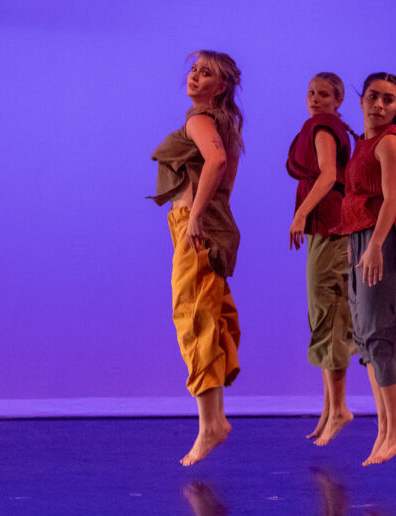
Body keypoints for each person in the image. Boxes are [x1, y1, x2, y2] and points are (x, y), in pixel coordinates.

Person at [150, 50, 244, 466]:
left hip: (195, 226)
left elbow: (218, 162)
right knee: (210, 314)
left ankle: (210, 426)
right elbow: (228, 175)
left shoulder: (201, 120)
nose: (195, 77)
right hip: (209, 224)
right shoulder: (227, 124)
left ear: (219, 87)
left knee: (193, 317)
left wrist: (196, 215)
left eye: (206, 74)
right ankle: (215, 420)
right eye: (193, 69)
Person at [339, 69, 396, 466]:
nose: (378, 105)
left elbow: (393, 199)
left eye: (388, 100)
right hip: (362, 241)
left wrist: (375, 246)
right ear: (361, 100)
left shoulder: (392, 142)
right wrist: (353, 245)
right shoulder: (364, 142)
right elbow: (358, 199)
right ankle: (384, 427)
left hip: (386, 241)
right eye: (373, 97)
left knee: (379, 333)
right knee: (364, 337)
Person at [286, 72, 357, 446]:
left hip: (331, 228)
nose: (315, 99)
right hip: (326, 229)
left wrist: (301, 214)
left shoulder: (326, 126)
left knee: (329, 312)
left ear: (337, 101)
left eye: (324, 94)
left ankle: (340, 408)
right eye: (311, 92)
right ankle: (329, 408)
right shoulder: (319, 124)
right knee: (322, 312)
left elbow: (329, 175)